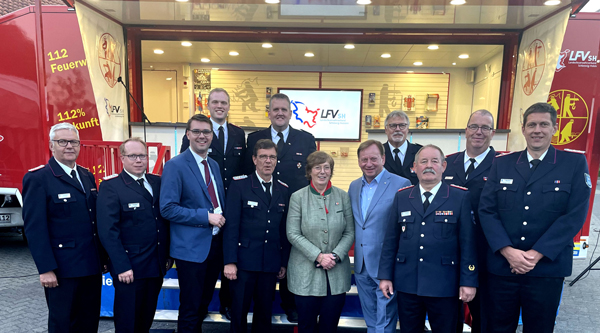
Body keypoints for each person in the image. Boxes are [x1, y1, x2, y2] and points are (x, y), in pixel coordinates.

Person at [479, 102, 591, 333]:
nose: (537, 130)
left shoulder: (574, 163)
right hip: (503, 267)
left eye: (543, 124)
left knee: (540, 328)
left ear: (555, 128)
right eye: (531, 125)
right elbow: (487, 210)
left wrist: (535, 254)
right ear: (523, 128)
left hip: (546, 268)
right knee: (497, 327)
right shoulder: (502, 163)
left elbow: (574, 215)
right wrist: (508, 251)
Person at [378, 145, 478, 333]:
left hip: (445, 284)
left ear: (444, 166)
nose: (428, 166)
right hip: (408, 283)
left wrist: (469, 281)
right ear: (414, 167)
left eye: (434, 161)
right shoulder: (402, 197)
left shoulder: (459, 197)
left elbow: (468, 244)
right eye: (423, 162)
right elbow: (391, 240)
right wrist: (385, 276)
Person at [22, 122, 106, 333]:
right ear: (52, 145)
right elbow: (35, 229)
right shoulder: (39, 178)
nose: (69, 146)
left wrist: (102, 259)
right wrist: (45, 269)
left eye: (74, 142)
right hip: (62, 270)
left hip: (90, 266)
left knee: (89, 322)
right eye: (62, 142)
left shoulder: (86, 176)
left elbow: (93, 222)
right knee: (63, 324)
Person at [245, 93, 317, 321]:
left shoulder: (306, 139)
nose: (279, 113)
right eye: (275, 109)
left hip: (293, 208)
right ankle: (253, 302)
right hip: (260, 206)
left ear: (290, 112)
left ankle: (290, 303)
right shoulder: (254, 138)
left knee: (291, 254)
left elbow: (311, 174)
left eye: (284, 109)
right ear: (269, 111)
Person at [180, 88, 246, 319]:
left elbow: (244, 170)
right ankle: (199, 310)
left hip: (231, 205)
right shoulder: (199, 133)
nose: (220, 106)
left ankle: (226, 304)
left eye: (224, 102)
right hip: (203, 210)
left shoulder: (239, 134)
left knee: (229, 255)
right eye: (216, 102)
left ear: (229, 106)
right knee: (200, 277)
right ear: (208, 105)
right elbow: (185, 170)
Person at [97, 137, 172, 333]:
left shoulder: (157, 182)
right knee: (127, 321)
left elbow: (163, 222)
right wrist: (121, 266)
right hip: (130, 268)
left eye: (142, 155)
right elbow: (108, 231)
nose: (138, 160)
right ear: (122, 158)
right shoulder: (111, 187)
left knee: (146, 318)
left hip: (155, 265)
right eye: (133, 156)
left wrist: (167, 256)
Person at [160, 114, 226, 333]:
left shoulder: (213, 165)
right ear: (188, 134)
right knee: (190, 307)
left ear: (212, 136)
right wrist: (205, 217)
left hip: (214, 246)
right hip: (190, 250)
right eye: (196, 131)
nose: (201, 136)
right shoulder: (175, 165)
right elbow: (168, 208)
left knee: (203, 305)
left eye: (206, 132)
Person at [223, 139, 290, 333]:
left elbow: (283, 230)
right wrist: (230, 261)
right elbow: (231, 227)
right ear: (254, 159)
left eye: (272, 157)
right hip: (243, 264)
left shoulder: (283, 189)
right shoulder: (240, 185)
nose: (268, 161)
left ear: (277, 160)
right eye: (263, 157)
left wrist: (283, 262)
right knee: (239, 313)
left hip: (269, 264)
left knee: (264, 315)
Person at [286, 151, 355, 333]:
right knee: (306, 326)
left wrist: (335, 255)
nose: (322, 171)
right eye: (317, 167)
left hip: (336, 273)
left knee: (329, 327)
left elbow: (350, 232)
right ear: (309, 171)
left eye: (326, 167)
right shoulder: (298, 197)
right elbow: (292, 233)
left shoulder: (343, 196)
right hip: (305, 275)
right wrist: (318, 256)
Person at [443, 110, 497, 333]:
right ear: (465, 130)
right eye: (474, 126)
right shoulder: (447, 162)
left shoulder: (502, 165)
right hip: (447, 253)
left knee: (483, 316)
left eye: (485, 128)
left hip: (484, 253)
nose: (479, 132)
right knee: (446, 315)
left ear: (492, 133)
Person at [348, 140, 410, 333]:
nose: (369, 163)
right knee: (371, 317)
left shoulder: (401, 184)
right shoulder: (354, 186)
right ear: (358, 161)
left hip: (386, 263)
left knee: (385, 317)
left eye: (373, 158)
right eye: (364, 159)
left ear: (383, 158)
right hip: (361, 264)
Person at [382, 110, 423, 185]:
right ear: (386, 130)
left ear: (407, 129)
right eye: (393, 126)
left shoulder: (420, 152)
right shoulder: (378, 152)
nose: (397, 129)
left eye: (402, 125)